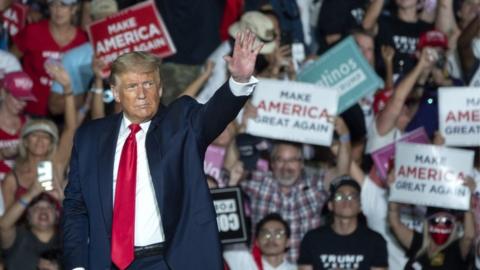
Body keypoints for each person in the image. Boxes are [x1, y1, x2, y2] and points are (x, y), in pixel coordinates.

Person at [62, 30, 263, 270]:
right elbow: (75, 206)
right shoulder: (89, 138)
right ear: (115, 92)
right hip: (107, 264)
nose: (142, 94)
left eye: (149, 84)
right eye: (132, 86)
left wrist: (239, 81)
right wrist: (77, 265)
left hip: (169, 261)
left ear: (159, 89)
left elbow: (213, 115)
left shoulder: (181, 122)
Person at [11, 0, 87, 116]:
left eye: (63, 5)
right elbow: (8, 61)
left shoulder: (83, 40)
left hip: (66, 114)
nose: (57, 10)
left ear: (74, 9)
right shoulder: (33, 31)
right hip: (29, 110)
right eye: (53, 4)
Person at [297, 176, 388, 270]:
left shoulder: (375, 241)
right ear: (330, 205)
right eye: (339, 197)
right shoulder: (312, 239)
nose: (346, 201)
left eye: (352, 196)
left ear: (360, 206)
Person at [0, 183, 61, 270]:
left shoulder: (67, 238)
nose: (43, 210)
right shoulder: (18, 237)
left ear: (56, 214)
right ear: (28, 216)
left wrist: (62, 198)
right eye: (37, 208)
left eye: (48, 207)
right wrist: (30, 194)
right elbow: (3, 226)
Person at [223, 213, 296, 270]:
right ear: (257, 241)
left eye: (278, 234)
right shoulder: (244, 263)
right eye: (265, 234)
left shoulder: (297, 268)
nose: (271, 239)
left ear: (287, 242)